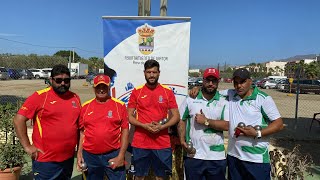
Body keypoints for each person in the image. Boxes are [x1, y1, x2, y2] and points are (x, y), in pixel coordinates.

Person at [13, 64, 81, 179]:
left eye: (66, 80)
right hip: (46, 161)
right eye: (58, 80)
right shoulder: (39, 97)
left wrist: (79, 152)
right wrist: (27, 147)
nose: (63, 83)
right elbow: (18, 120)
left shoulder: (75, 98)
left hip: (68, 159)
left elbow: (78, 128)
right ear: (51, 80)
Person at [225, 68, 283, 180]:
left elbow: (279, 124)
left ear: (250, 81)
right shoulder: (231, 94)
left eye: (242, 82)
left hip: (256, 159)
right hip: (234, 157)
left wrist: (257, 133)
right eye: (236, 83)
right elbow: (211, 92)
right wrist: (198, 89)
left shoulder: (263, 99)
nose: (238, 86)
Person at [127, 59, 180, 180]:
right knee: (138, 176)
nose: (151, 75)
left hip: (162, 143)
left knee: (161, 177)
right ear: (144, 73)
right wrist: (144, 126)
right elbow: (129, 116)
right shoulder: (137, 91)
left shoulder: (167, 92)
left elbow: (176, 116)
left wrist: (162, 127)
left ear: (159, 73)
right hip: (141, 143)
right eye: (149, 72)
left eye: (154, 72)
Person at [178, 68, 229, 180]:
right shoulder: (190, 99)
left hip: (216, 157)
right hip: (194, 155)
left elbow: (227, 125)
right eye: (208, 80)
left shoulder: (224, 101)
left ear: (218, 82)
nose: (210, 84)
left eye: (214, 81)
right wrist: (182, 141)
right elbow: (181, 120)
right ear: (203, 80)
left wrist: (206, 121)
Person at [76, 74, 129, 180]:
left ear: (109, 87)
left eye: (104, 87)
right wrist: (79, 153)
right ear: (94, 88)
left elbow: (125, 131)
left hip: (113, 154)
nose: (101, 90)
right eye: (98, 87)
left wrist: (121, 156)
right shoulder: (86, 107)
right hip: (90, 157)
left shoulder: (120, 106)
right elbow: (82, 133)